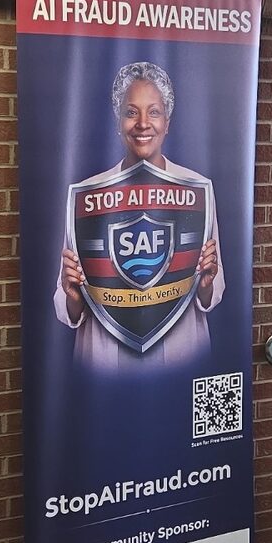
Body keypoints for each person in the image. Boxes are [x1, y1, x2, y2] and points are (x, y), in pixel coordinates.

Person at [54, 62, 223, 370]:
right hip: (107, 367)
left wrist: (206, 283)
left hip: (178, 361)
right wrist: (74, 296)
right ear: (118, 121)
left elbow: (211, 294)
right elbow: (69, 307)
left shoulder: (197, 190)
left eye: (154, 112)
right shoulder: (88, 194)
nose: (143, 123)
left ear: (167, 122)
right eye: (131, 112)